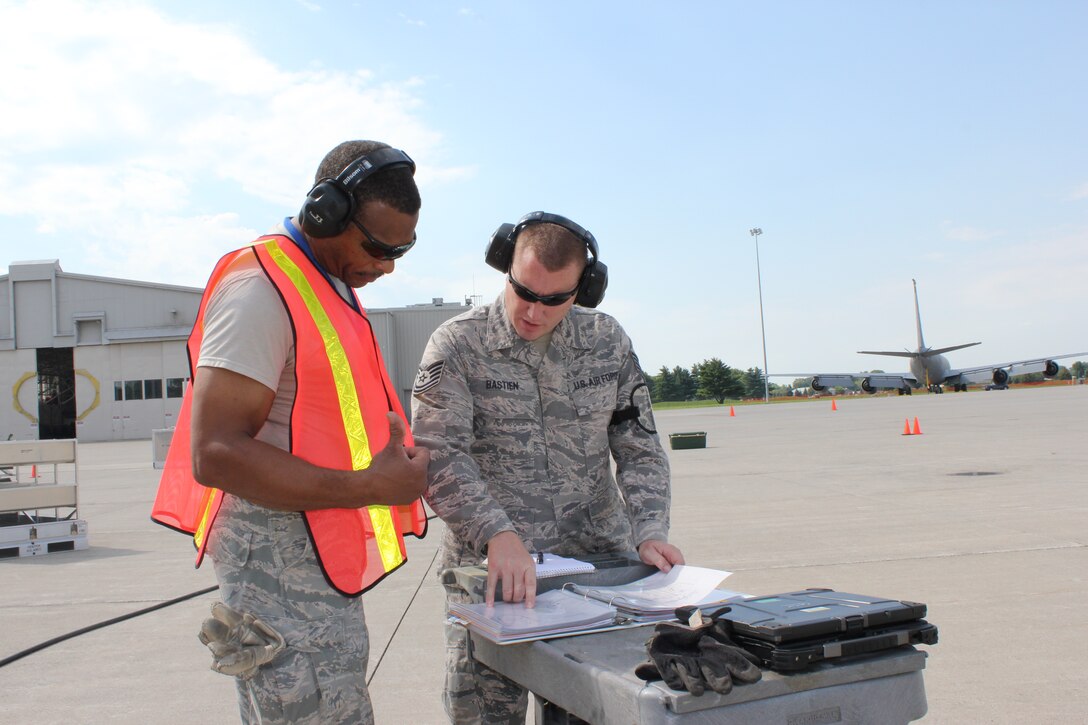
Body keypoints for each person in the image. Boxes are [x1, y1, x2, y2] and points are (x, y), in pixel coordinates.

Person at [151, 140, 430, 725]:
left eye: (401, 250)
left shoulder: (325, 285)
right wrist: (370, 487)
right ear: (325, 211)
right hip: (275, 563)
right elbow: (217, 453)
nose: (386, 266)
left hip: (311, 560)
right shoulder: (260, 290)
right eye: (377, 246)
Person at [411, 211, 685, 723]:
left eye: (555, 299)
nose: (534, 312)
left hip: (598, 569)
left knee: (597, 711)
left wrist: (650, 531)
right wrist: (497, 533)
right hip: (495, 577)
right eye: (524, 291)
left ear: (584, 289)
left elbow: (639, 446)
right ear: (505, 269)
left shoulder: (607, 342)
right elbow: (438, 455)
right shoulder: (457, 345)